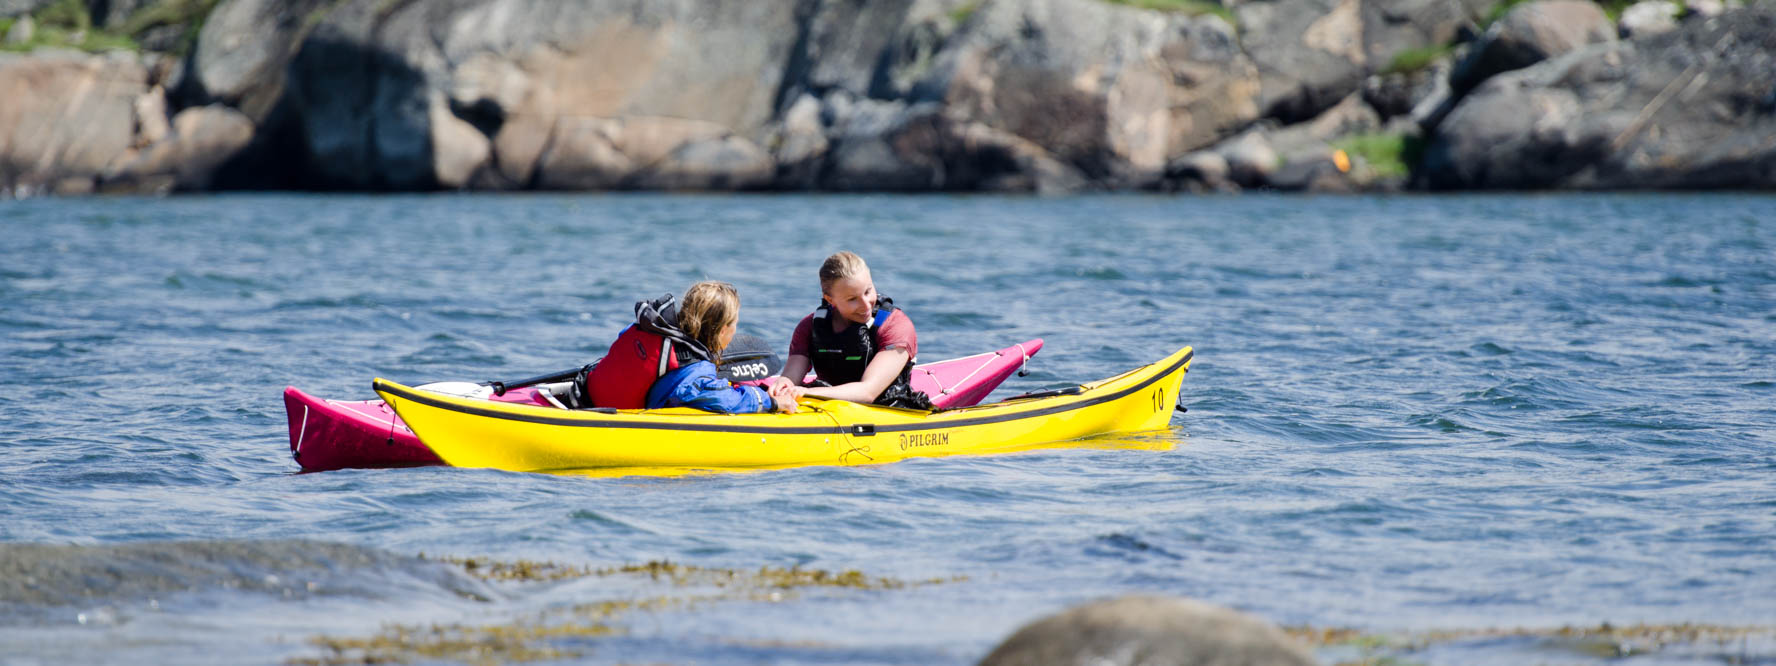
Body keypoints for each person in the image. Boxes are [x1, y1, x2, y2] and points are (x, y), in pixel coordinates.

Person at [584, 281, 796, 414]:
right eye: (735, 325)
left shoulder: (654, 333)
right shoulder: (696, 368)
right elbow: (723, 400)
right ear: (722, 330)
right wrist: (771, 401)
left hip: (587, 394)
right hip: (617, 422)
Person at [766, 252, 933, 410]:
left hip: (886, 407)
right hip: (829, 405)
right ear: (830, 300)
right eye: (852, 299)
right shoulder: (810, 326)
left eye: (868, 291)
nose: (866, 304)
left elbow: (868, 392)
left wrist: (807, 392)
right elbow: (791, 377)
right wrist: (783, 386)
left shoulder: (895, 325)